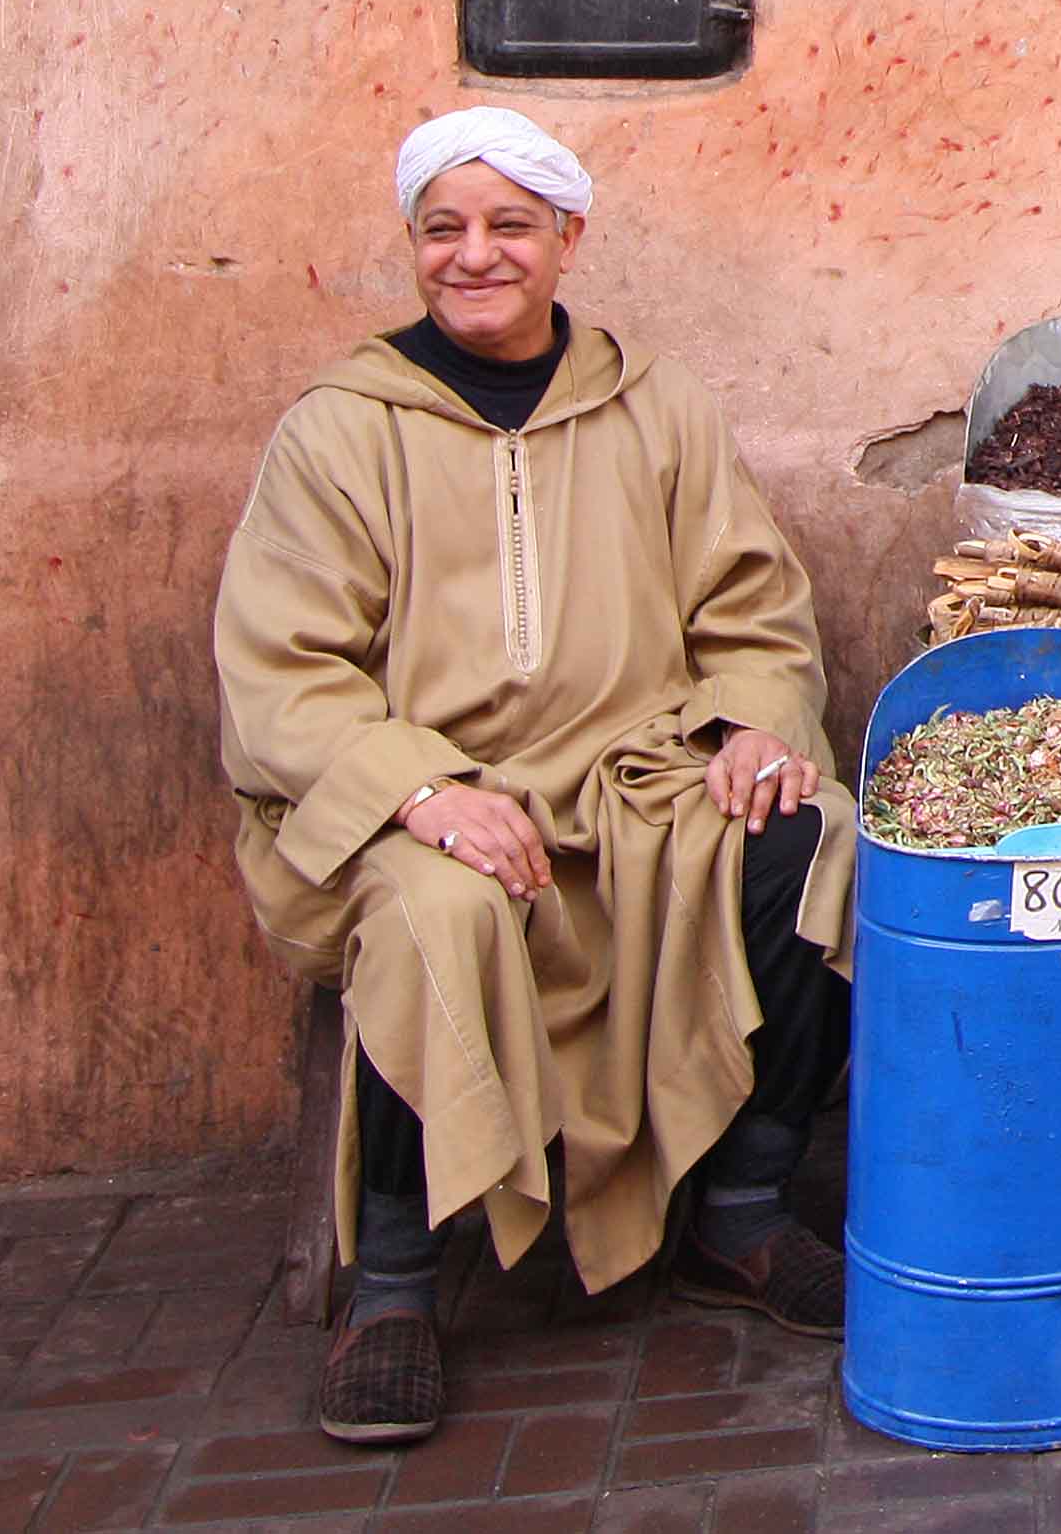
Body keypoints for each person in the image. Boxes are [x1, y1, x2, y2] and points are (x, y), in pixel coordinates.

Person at [213, 108, 853, 1445]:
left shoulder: (652, 404)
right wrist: (424, 794)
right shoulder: (341, 430)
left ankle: (739, 1210)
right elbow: (284, 670)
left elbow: (749, 610)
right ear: (413, 245)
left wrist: (753, 726)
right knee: (437, 910)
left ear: (569, 236)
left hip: (629, 783)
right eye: (442, 227)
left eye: (509, 224)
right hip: (417, 803)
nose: (474, 254)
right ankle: (394, 1286)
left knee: (809, 836)